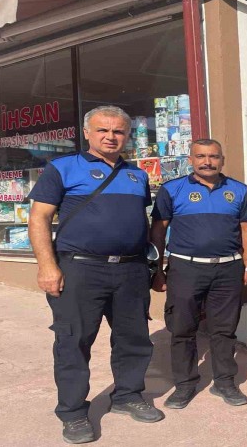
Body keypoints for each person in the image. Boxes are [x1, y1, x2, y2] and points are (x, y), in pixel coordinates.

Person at [28, 106, 164, 444]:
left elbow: (140, 221)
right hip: (80, 269)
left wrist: (150, 265)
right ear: (87, 133)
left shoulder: (137, 175)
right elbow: (39, 218)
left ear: (127, 135)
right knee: (73, 341)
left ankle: (128, 395)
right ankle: (73, 412)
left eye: (118, 131)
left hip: (131, 270)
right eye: (103, 130)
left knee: (133, 338)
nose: (110, 137)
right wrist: (47, 266)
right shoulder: (62, 168)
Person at [150, 139, 247, 409]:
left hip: (228, 268)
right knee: (182, 329)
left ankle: (225, 382)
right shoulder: (172, 189)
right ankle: (185, 385)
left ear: (222, 159)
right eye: (201, 156)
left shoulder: (240, 191)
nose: (207, 162)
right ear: (191, 159)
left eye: (213, 156)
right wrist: (157, 270)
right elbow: (159, 231)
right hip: (185, 268)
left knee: (224, 330)